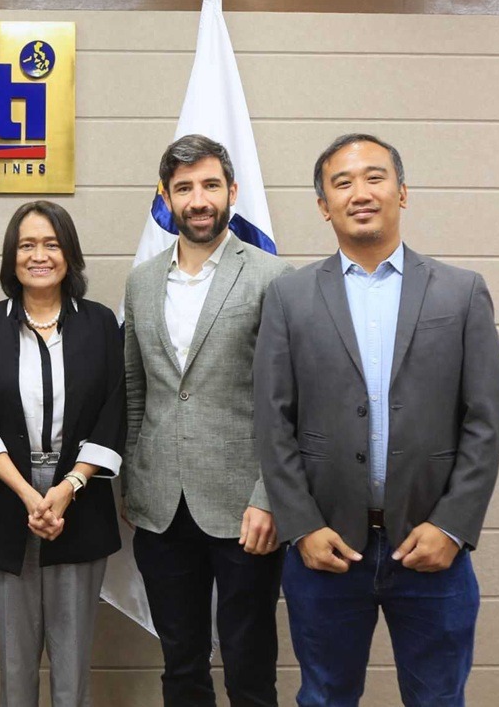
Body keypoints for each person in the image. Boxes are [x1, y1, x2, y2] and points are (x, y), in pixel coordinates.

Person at [254, 133, 499, 707]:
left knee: (438, 699)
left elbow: (486, 422)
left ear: (402, 192)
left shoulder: (461, 293)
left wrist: (452, 526)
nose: (360, 193)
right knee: (325, 697)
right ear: (324, 205)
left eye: (375, 177)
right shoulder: (289, 298)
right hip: (326, 551)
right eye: (342, 183)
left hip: (431, 550)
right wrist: (301, 526)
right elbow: (272, 422)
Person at [123, 134, 292, 706]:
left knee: (249, 668)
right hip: (161, 507)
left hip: (245, 509)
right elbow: (136, 390)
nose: (198, 200)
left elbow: (287, 400)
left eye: (210, 185)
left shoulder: (272, 277)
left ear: (232, 192)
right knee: (181, 665)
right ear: (166, 197)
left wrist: (269, 497)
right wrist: (133, 482)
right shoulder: (142, 282)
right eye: (184, 188)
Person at [0, 201, 125, 707]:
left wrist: (68, 487)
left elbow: (114, 412)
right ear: (11, 256)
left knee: (72, 667)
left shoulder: (100, 324)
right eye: (27, 244)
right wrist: (30, 495)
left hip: (80, 500)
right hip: (8, 499)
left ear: (69, 254)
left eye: (51, 244)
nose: (39, 255)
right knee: (14, 666)